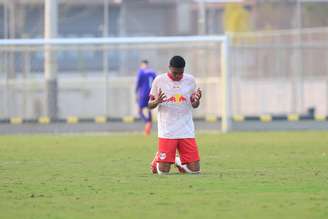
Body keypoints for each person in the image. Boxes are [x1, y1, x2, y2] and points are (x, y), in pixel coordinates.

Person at [148, 56, 202, 175]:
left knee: (195, 171)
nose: (178, 76)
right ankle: (158, 160)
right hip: (167, 131)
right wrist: (157, 101)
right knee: (163, 172)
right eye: (175, 73)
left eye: (180, 73)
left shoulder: (190, 80)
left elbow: (194, 104)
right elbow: (150, 105)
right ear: (169, 68)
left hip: (186, 129)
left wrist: (196, 101)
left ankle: (177, 161)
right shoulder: (159, 80)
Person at [135, 60, 157, 135]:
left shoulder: (140, 72)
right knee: (149, 109)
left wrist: (136, 93)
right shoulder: (152, 72)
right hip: (151, 93)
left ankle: (147, 122)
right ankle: (149, 125)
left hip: (143, 93)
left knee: (139, 110)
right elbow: (156, 82)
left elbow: (138, 84)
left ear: (141, 65)